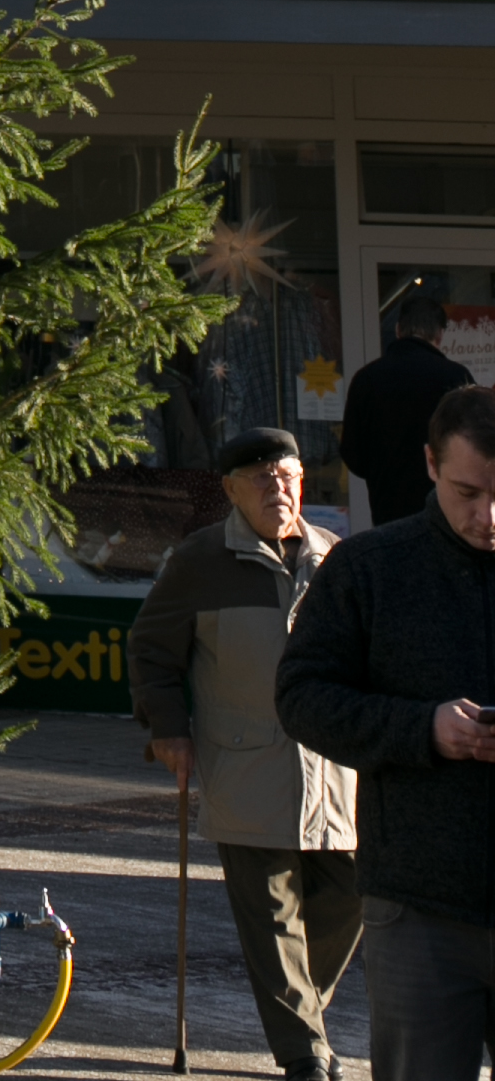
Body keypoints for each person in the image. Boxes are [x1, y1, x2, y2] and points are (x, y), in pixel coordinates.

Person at [279, 379, 495, 1081]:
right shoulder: (372, 568)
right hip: (418, 907)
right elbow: (301, 697)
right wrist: (421, 729)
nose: (490, 515)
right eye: (469, 492)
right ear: (431, 465)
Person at [131, 423, 359, 1081]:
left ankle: (302, 1016)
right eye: (260, 479)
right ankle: (306, 1055)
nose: (276, 489)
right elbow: (150, 650)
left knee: (347, 902)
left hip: (334, 774)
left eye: (286, 477)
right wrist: (167, 727)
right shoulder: (201, 562)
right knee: (271, 920)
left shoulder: (336, 559)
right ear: (230, 490)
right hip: (246, 767)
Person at [344, 301, 471, 531]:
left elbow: (353, 454)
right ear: (440, 334)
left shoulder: (366, 379)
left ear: (398, 330)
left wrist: (382, 469)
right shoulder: (456, 378)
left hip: (388, 511)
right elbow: (476, 447)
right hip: (445, 514)